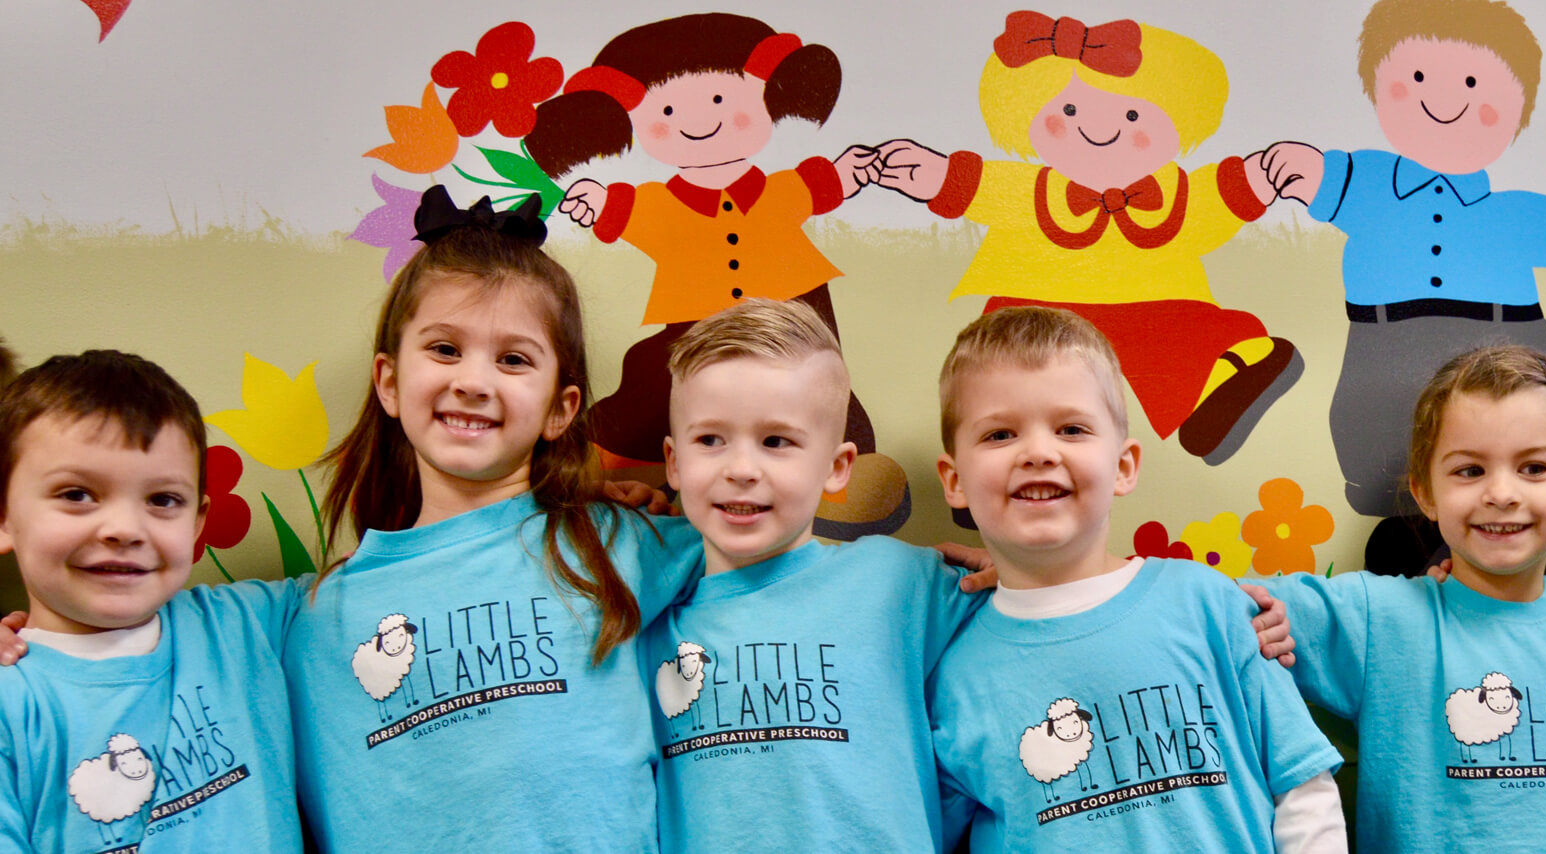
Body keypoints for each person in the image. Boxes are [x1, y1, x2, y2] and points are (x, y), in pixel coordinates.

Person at [647, 298, 1297, 852]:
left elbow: (1060, 598)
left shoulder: (903, 581)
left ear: (839, 467)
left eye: (776, 441)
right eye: (711, 441)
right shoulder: (641, 612)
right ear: (673, 463)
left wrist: (1239, 614)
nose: (740, 469)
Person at [284, 186, 704, 851]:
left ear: (561, 409)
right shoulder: (316, 616)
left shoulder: (614, 543)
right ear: (389, 382)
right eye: (445, 349)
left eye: (512, 359)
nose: (474, 381)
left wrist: (930, 576)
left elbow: (779, 562)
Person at [1253, 0, 1546, 572]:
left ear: (1518, 106)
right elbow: (1330, 177)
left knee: (1528, 413)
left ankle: (1542, 518)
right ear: (1377, 85)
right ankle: (1407, 513)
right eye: (1416, 77)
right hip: (1388, 333)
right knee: (1372, 433)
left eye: (1473, 81)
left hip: (1506, 329)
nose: (1444, 98)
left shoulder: (1505, 209)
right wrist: (1306, 171)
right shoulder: (1369, 179)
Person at [926, 307, 1344, 851]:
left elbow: (1302, 786)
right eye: (1001, 434)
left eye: (1071, 429)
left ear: (1123, 467)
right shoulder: (952, 672)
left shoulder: (1210, 603)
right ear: (955, 481)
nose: (1038, 453)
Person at [1257, 345, 1546, 852]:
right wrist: (1258, 620)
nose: (1502, 493)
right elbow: (1209, 610)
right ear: (1425, 492)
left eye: (1533, 468)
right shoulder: (1378, 622)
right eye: (1469, 471)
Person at [526, 12, 907, 538]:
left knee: (816, 383)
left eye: (721, 100)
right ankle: (634, 458)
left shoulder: (781, 190)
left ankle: (843, 466)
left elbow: (823, 182)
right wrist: (595, 200)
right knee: (657, 384)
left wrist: (853, 169)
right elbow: (622, 210)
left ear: (766, 98)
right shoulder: (656, 204)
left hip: (793, 306)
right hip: (691, 321)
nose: (697, 121)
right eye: (665, 109)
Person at [870, 13, 1299, 465]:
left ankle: (1221, 391)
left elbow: (1217, 197)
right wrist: (935, 175)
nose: (1099, 129)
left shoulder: (1176, 192)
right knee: (1009, 365)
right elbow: (982, 185)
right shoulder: (1031, 189)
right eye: (1068, 110)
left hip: (1153, 306)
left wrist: (1262, 176)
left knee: (1186, 341)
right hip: (1039, 307)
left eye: (1133, 114)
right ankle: (992, 448)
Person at [0, 351, 303, 851]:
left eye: (163, 500)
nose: (124, 529)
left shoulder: (252, 625)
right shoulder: (14, 703)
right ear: (4, 516)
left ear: (197, 521)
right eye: (77, 494)